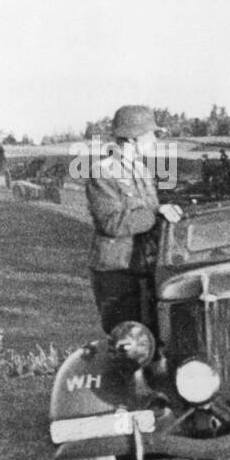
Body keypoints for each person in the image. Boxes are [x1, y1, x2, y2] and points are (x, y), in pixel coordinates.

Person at [86, 105, 182, 334]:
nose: (155, 142)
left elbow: (149, 209)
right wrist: (157, 212)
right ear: (132, 138)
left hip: (144, 266)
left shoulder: (141, 170)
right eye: (151, 136)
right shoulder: (103, 172)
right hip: (116, 272)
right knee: (127, 341)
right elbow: (113, 223)